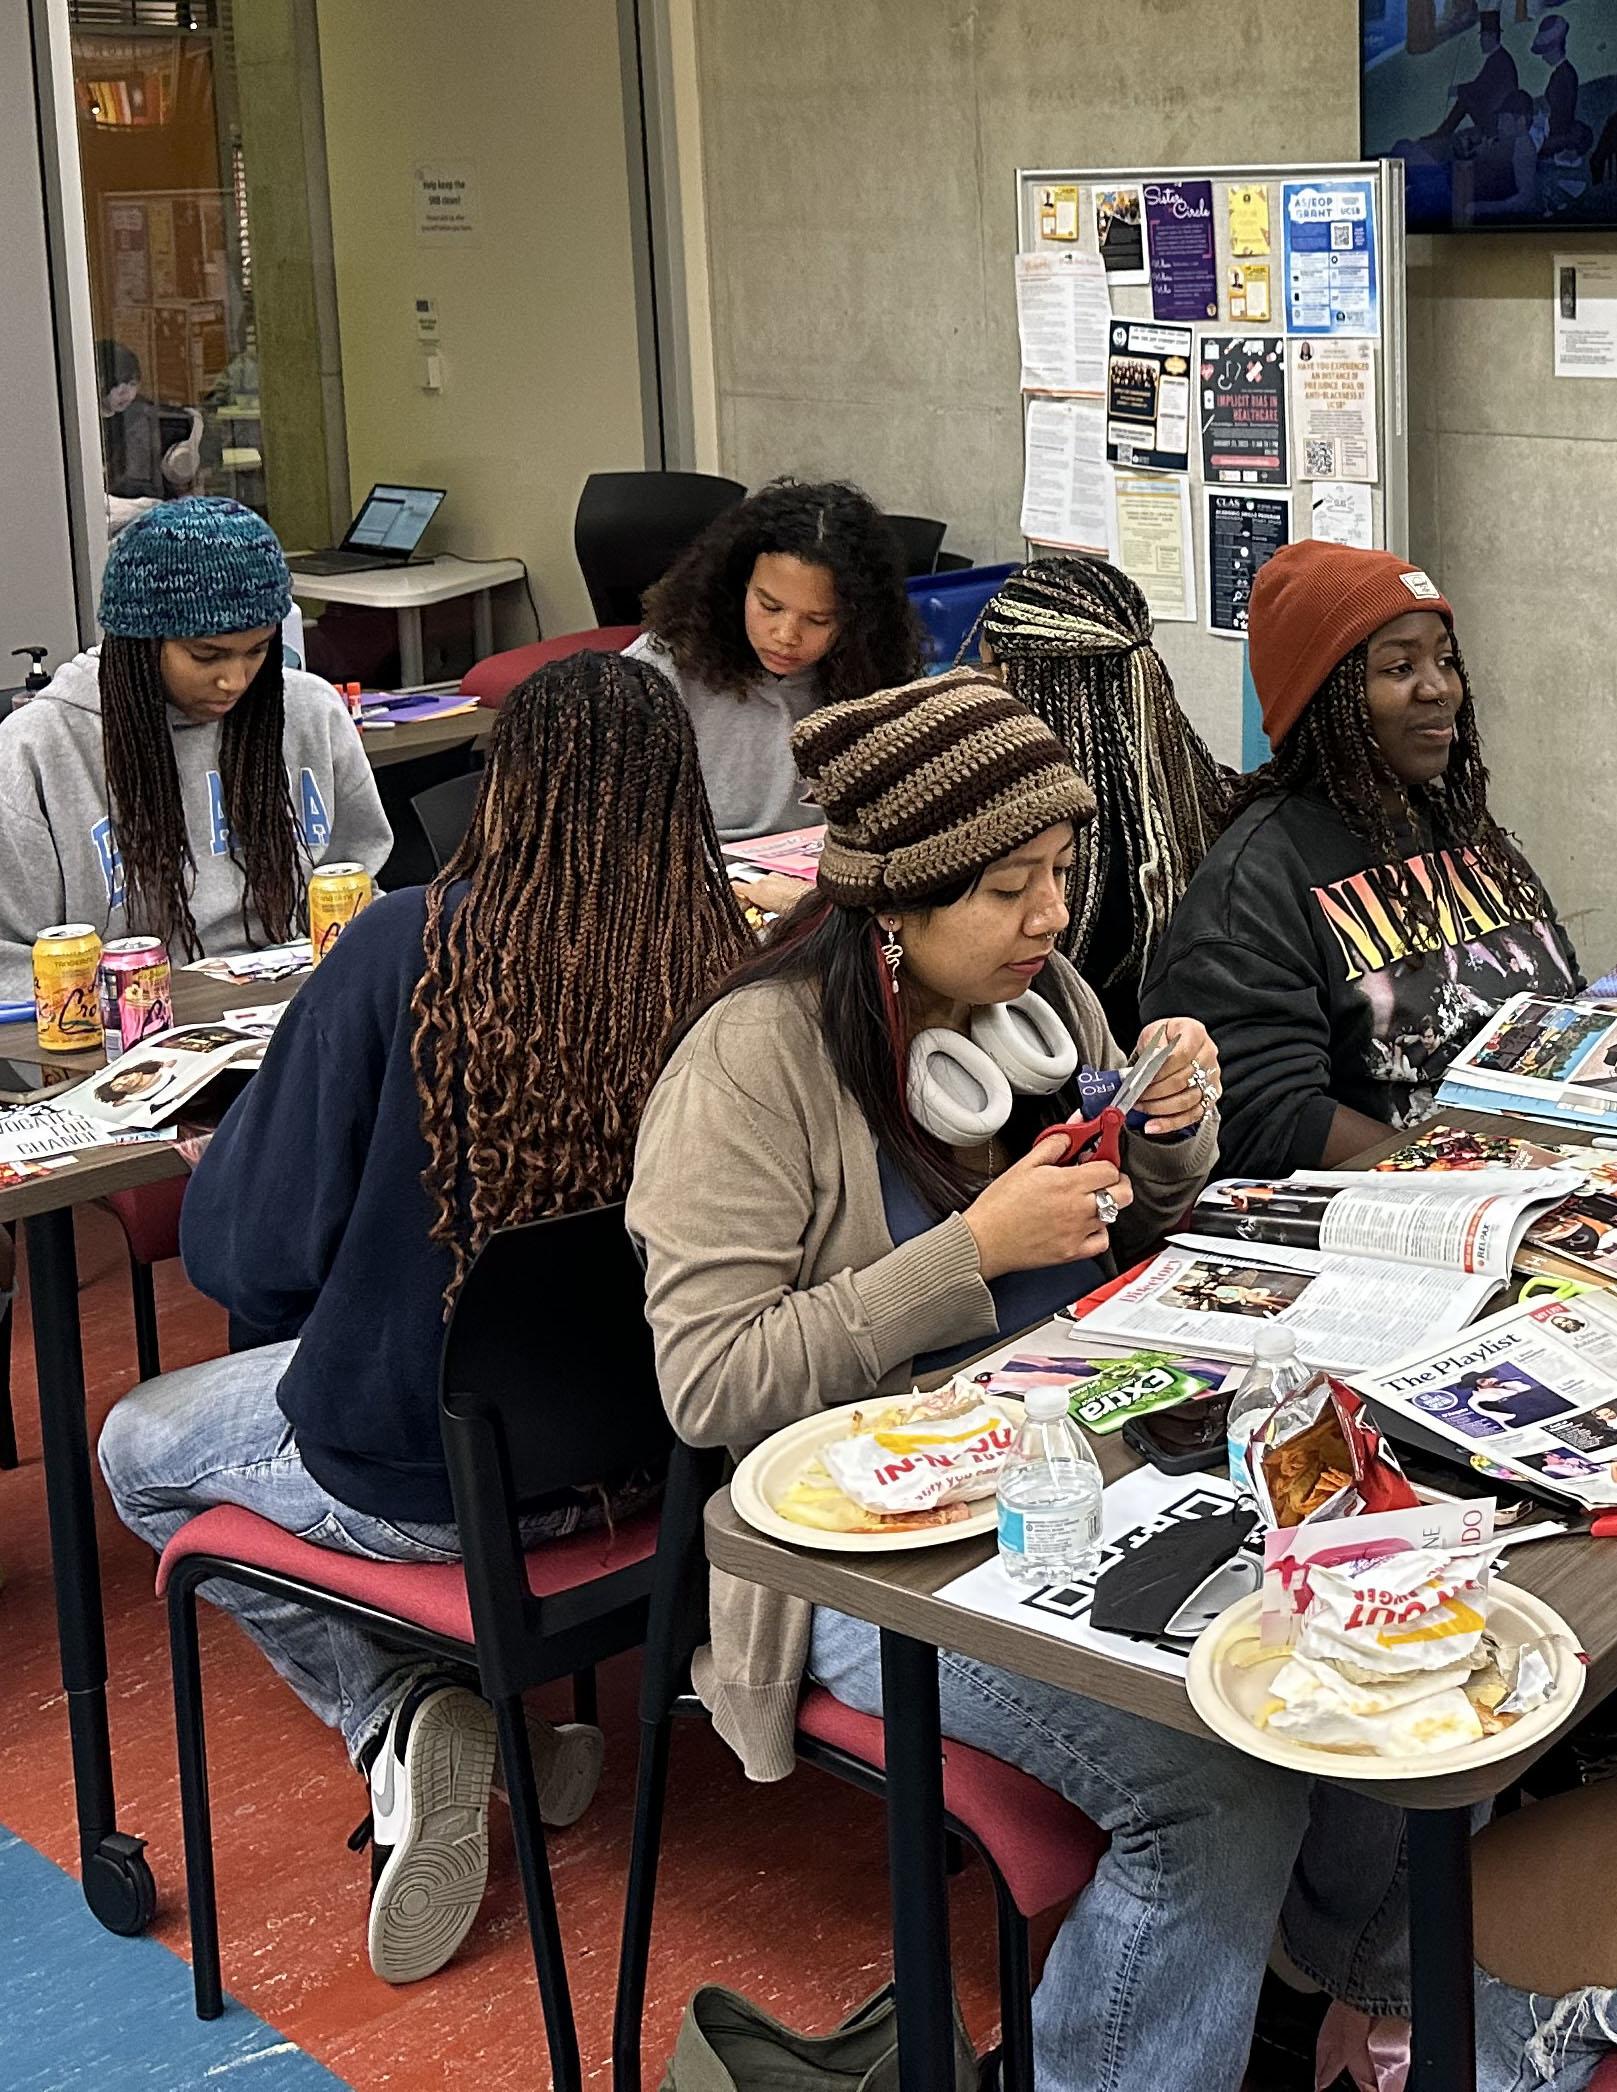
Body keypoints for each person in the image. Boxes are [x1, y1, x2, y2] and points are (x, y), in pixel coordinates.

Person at [628, 668, 1410, 2092]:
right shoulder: (748, 1065)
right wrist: (968, 1257)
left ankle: (1303, 1995)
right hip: (873, 1557)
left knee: (1365, 1657)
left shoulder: (1038, 1001)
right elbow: (711, 1385)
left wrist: (1171, 1125)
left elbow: (1142, 1205)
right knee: (1217, 1796)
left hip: (1107, 1460)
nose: (1053, 918)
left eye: (1060, 874)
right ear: (896, 903)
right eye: (1009, 887)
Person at [97, 652, 753, 1986]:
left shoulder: (411, 944)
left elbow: (250, 1258)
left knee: (137, 1448)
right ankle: (487, 1722)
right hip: (671, 1466)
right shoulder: (731, 972)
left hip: (441, 1485)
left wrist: (233, 1169)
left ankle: (400, 1707)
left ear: (505, 791)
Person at [1141, 542, 1579, 1179]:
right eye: (1400, 668)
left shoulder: (1461, 826)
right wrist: (1468, 1174)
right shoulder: (1257, 883)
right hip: (1408, 1221)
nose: (1439, 689)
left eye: (1446, 661)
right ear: (1327, 698)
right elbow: (1267, 1114)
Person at [0, 497, 391, 1003]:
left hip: (303, 1021)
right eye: (206, 655)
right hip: (124, 1043)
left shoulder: (311, 711)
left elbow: (361, 894)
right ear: (140, 643)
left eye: (258, 650)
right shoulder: (37, 750)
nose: (234, 680)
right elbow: (10, 965)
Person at [978, 554, 1229, 1038]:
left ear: (1028, 680)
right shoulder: (1202, 798)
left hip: (1067, 1072)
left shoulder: (1026, 839)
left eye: (991, 668)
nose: (983, 684)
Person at [626, 476, 921, 882]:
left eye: (817, 620)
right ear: (740, 583)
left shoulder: (873, 677)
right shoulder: (659, 670)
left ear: (856, 622)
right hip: (690, 885)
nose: (786, 636)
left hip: (821, 888)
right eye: (769, 606)